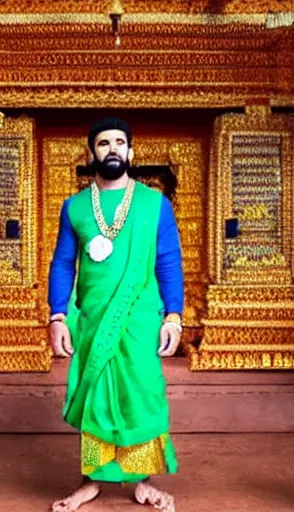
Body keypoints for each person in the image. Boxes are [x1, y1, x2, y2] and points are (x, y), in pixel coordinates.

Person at [48, 117, 184, 512]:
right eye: (103, 143)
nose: (112, 149)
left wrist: (173, 316)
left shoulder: (154, 205)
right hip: (92, 319)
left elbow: (169, 262)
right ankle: (92, 480)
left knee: (139, 395)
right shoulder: (74, 208)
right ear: (92, 153)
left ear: (131, 152)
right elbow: (62, 263)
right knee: (98, 399)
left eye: (119, 142)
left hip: (140, 320)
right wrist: (58, 316)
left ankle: (140, 481)